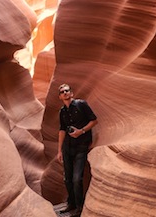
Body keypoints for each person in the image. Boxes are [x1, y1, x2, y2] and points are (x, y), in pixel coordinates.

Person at [57, 84, 98, 215]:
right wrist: (59, 150)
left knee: (76, 179)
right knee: (67, 179)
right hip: (67, 147)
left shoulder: (82, 105)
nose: (65, 93)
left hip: (81, 146)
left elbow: (94, 121)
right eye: (62, 92)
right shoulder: (62, 111)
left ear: (71, 93)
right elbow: (62, 130)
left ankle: (79, 208)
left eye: (67, 91)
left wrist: (81, 131)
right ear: (60, 97)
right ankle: (71, 204)